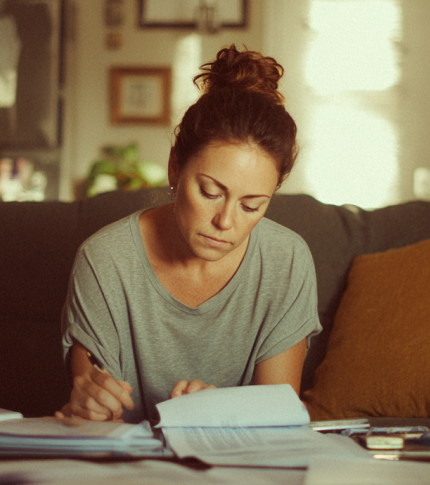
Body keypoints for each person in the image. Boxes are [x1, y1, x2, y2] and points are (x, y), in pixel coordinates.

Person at [57, 45, 321, 423]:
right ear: (175, 169)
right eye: (211, 193)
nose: (226, 222)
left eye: (252, 206)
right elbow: (97, 417)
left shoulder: (287, 259)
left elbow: (278, 414)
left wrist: (222, 410)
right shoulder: (105, 259)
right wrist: (91, 400)